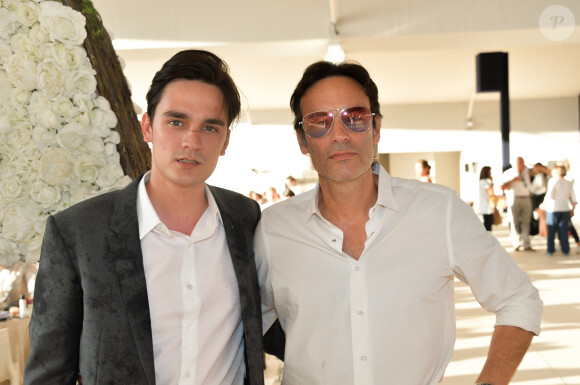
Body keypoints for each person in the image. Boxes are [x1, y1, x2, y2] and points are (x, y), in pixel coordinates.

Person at [255, 60, 542, 385]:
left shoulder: (439, 211)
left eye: (355, 118)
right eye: (319, 122)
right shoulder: (273, 229)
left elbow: (519, 300)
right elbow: (249, 323)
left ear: (376, 129)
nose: (339, 135)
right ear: (303, 140)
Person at [25, 50, 269, 385]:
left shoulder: (246, 219)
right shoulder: (78, 232)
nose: (191, 141)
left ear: (225, 140)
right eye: (176, 121)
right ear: (147, 128)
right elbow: (48, 372)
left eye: (210, 127)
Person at [501, 157, 534, 251]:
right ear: (516, 164)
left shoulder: (527, 172)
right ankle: (516, 244)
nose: (522, 165)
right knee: (514, 222)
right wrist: (513, 180)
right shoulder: (509, 173)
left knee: (526, 222)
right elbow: (502, 186)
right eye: (520, 163)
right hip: (514, 199)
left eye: (523, 163)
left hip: (526, 198)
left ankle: (526, 244)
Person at [543, 165, 577, 256]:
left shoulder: (552, 181)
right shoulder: (569, 183)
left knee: (551, 230)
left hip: (553, 209)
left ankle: (550, 250)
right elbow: (574, 198)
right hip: (565, 208)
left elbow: (549, 195)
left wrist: (543, 204)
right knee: (564, 230)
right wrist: (573, 209)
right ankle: (565, 250)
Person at [478, 166, 495, 231]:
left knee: (488, 224)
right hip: (486, 207)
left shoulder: (483, 182)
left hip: (486, 206)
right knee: (488, 225)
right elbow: (491, 192)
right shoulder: (484, 182)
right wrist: (492, 182)